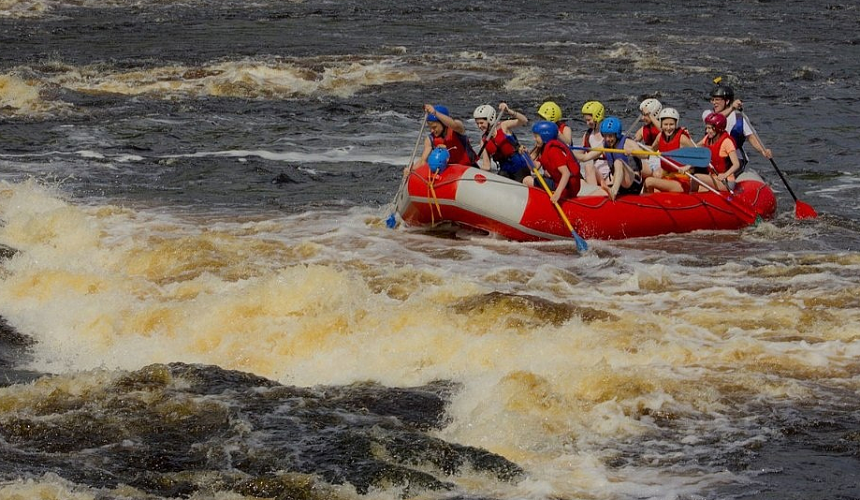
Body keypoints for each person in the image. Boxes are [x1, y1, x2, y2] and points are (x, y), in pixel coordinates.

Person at [702, 83, 772, 172]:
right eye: (713, 100)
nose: (714, 102)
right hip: (713, 156)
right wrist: (732, 108)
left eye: (717, 100)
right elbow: (715, 119)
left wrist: (763, 150)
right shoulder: (707, 114)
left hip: (734, 158)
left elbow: (751, 137)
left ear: (727, 101)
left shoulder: (740, 117)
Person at [523, 121, 582, 202]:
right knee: (529, 179)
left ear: (545, 136)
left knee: (527, 180)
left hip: (568, 188)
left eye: (536, 136)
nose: (534, 139)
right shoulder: (545, 149)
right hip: (559, 183)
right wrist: (526, 155)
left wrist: (557, 193)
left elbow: (566, 173)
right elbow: (534, 168)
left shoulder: (553, 151)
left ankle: (539, 203)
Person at [643, 107, 697, 193]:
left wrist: (687, 167)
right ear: (661, 124)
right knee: (649, 181)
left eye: (671, 124)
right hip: (666, 177)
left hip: (680, 181)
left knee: (649, 181)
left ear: (676, 124)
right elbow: (651, 151)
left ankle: (646, 204)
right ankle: (648, 202)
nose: (668, 128)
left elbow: (698, 155)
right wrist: (632, 150)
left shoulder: (682, 139)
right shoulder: (660, 137)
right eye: (665, 124)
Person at [474, 102, 530, 181]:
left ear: (490, 119)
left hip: (519, 167)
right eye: (477, 123)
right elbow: (487, 166)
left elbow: (524, 120)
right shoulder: (483, 141)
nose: (479, 126)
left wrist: (509, 111)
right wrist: (473, 169)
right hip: (505, 170)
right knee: (502, 175)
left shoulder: (504, 126)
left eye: (481, 123)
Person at [413, 104, 478, 171]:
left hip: (468, 168)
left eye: (434, 127)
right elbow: (422, 161)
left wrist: (435, 113)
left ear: (443, 123)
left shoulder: (457, 129)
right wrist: (410, 170)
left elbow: (454, 125)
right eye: (430, 128)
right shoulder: (430, 139)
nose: (432, 130)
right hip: (448, 171)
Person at [600, 116, 644, 200]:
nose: (608, 139)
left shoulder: (627, 143)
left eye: (610, 136)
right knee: (588, 165)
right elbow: (585, 157)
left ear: (617, 134)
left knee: (618, 162)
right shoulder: (605, 146)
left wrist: (633, 151)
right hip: (620, 185)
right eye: (605, 136)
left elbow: (646, 155)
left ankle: (613, 192)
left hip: (634, 183)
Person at [695, 112, 741, 192]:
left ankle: (692, 196)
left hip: (726, 181)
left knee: (696, 177)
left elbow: (736, 164)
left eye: (709, 128)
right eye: (706, 128)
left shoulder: (726, 142)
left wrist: (724, 175)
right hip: (713, 178)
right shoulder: (707, 138)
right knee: (698, 188)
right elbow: (694, 147)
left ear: (718, 128)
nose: (707, 131)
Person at [574, 100, 611, 188]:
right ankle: (593, 193)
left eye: (589, 120)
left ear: (596, 117)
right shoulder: (587, 136)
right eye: (586, 120)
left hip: (610, 173)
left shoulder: (609, 136)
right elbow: (580, 155)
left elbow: (584, 158)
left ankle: (595, 194)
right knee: (586, 168)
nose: (587, 123)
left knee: (588, 166)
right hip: (596, 174)